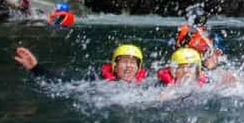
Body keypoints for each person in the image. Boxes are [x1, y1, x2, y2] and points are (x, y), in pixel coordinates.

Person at [14, 43, 147, 83]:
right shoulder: (96, 82)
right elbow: (63, 82)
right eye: (124, 61)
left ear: (138, 67)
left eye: (133, 63)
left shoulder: (147, 85)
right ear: (114, 66)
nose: (129, 66)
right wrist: (36, 68)